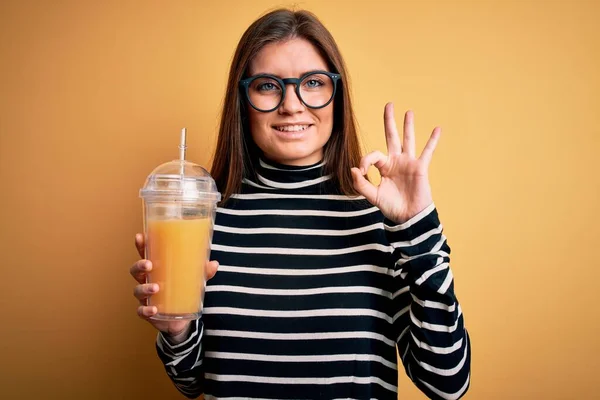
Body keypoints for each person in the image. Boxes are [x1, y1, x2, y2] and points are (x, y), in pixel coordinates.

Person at [130, 8, 471, 400]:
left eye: (312, 82)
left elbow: (447, 382)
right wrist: (177, 329)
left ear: (336, 95)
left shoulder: (381, 223)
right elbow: (192, 384)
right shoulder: (203, 223)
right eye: (268, 86)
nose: (291, 105)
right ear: (243, 99)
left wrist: (417, 229)